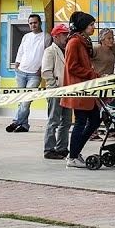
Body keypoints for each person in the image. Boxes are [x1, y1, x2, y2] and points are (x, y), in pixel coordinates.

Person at [61, 12, 101, 168]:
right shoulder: (74, 42)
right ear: (83, 26)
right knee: (81, 122)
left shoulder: (83, 41)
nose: (93, 27)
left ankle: (75, 152)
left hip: (86, 89)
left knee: (94, 120)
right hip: (79, 89)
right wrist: (93, 74)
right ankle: (73, 156)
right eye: (91, 25)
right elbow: (72, 67)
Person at [7, 14, 47, 133]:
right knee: (21, 100)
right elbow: (21, 51)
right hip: (21, 72)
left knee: (26, 101)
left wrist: (42, 68)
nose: (33, 25)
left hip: (34, 75)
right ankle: (24, 126)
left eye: (35, 22)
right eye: (30, 23)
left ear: (40, 23)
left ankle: (16, 122)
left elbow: (47, 54)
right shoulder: (26, 36)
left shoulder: (46, 37)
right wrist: (17, 64)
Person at [42, 24, 72, 161]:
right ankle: (49, 149)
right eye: (63, 34)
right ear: (55, 36)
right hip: (55, 91)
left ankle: (62, 147)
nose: (66, 37)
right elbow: (46, 71)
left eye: (66, 34)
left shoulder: (67, 50)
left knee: (66, 121)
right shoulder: (50, 51)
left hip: (67, 91)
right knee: (53, 120)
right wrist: (54, 87)